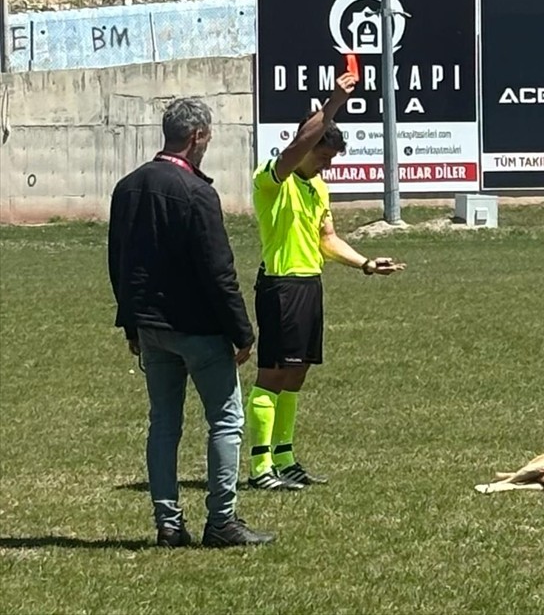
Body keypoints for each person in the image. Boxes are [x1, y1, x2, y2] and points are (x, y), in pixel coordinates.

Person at [108, 97, 275, 548]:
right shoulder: (198, 193)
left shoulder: (128, 186)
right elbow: (218, 272)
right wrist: (242, 332)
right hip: (198, 328)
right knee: (225, 419)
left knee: (164, 423)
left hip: (151, 328)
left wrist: (131, 325)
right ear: (197, 136)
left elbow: (118, 262)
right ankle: (222, 520)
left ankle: (167, 522)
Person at [246, 70, 404, 490]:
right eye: (323, 157)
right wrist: (334, 103)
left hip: (309, 286)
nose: (326, 165)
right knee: (273, 375)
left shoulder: (319, 188)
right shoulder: (272, 180)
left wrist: (366, 264)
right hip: (281, 286)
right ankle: (260, 468)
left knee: (296, 375)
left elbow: (327, 239)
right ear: (306, 147)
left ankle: (284, 457)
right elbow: (297, 146)